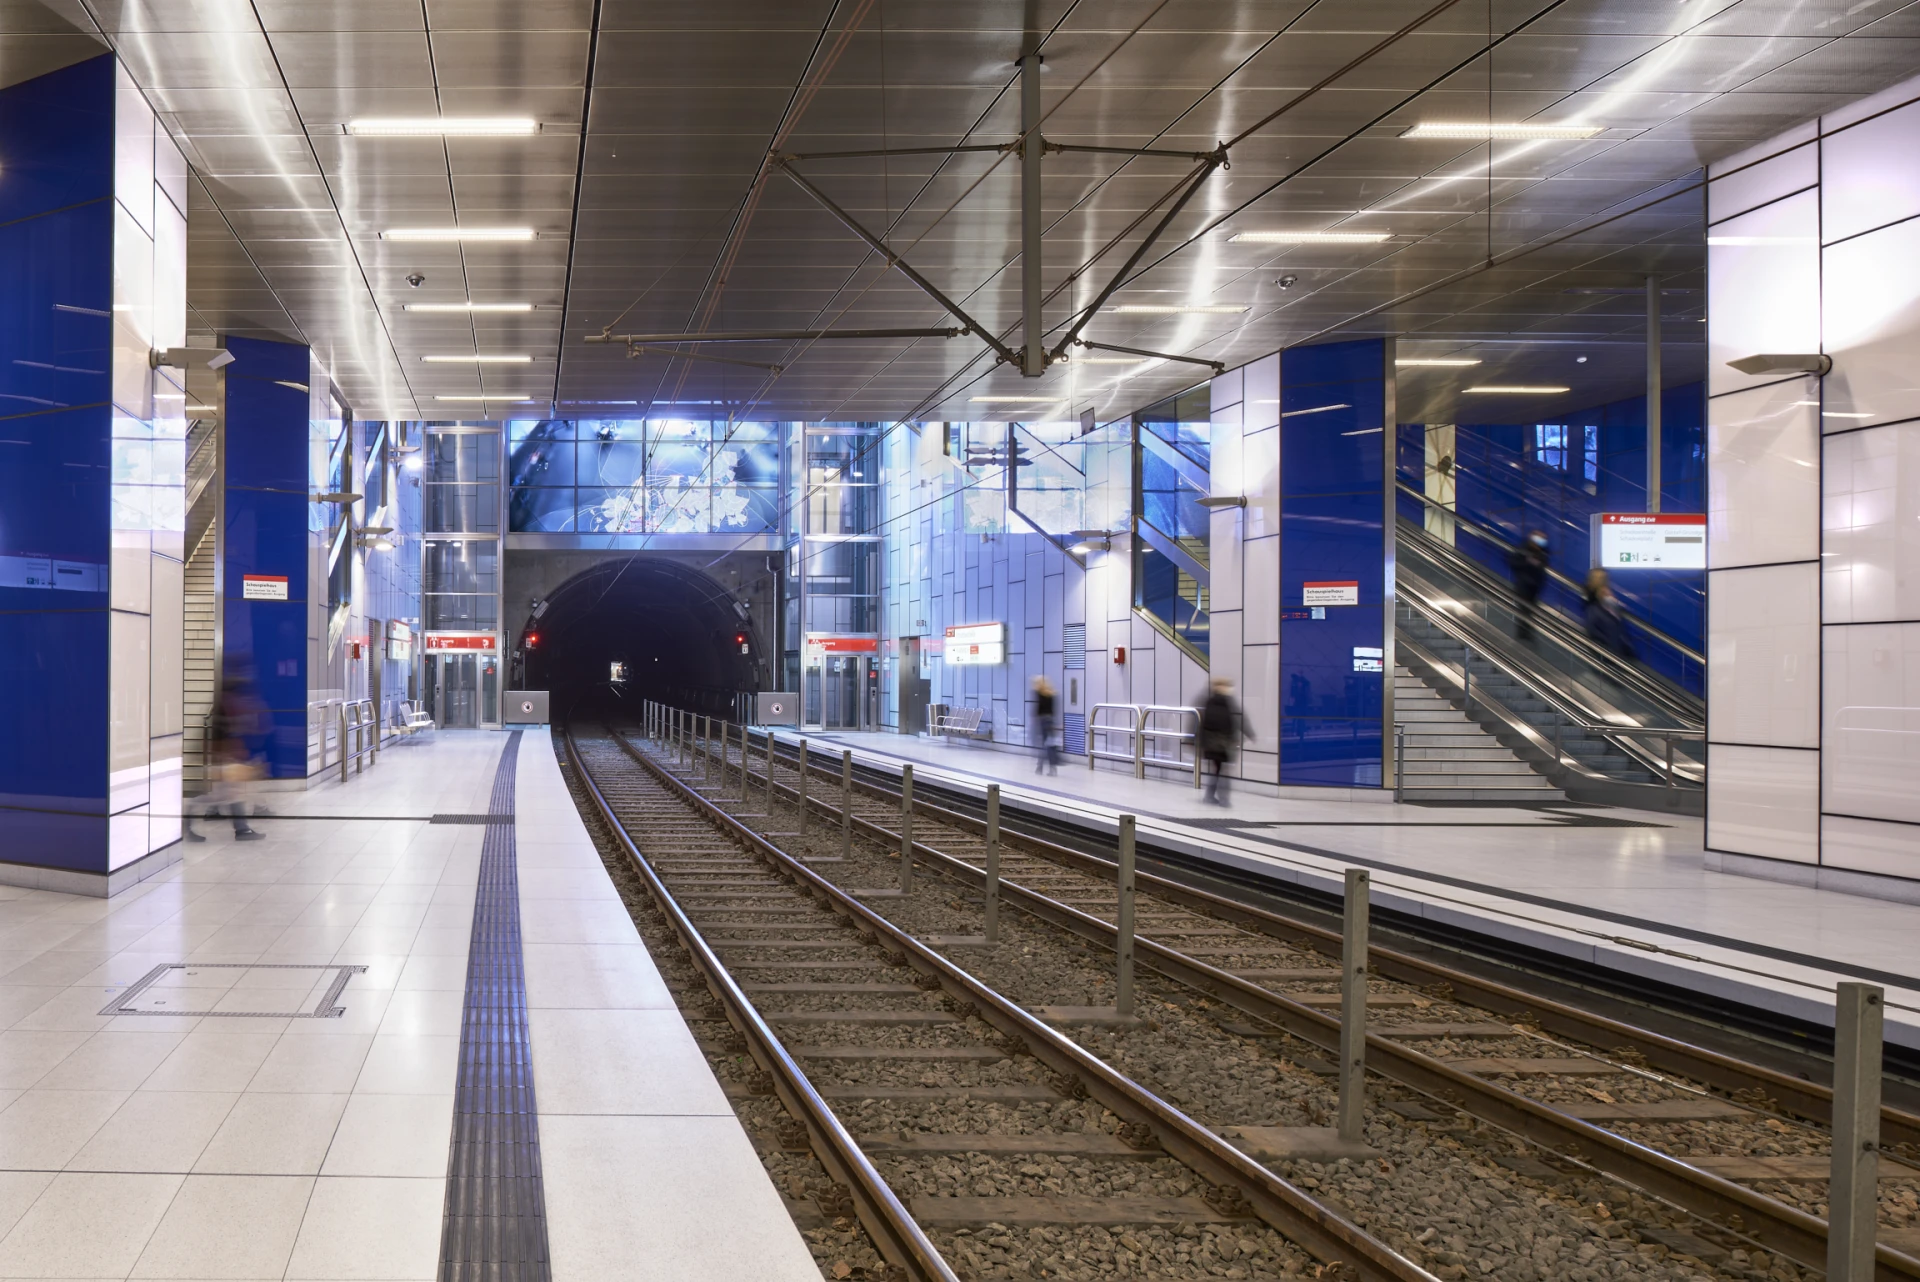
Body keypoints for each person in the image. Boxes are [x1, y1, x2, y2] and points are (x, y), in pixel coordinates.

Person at [185, 673, 269, 842]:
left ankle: (241, 829)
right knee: (213, 796)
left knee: (231, 794)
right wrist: (228, 756)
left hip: (219, 759)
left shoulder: (222, 706)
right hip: (217, 759)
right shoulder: (223, 707)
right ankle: (186, 826)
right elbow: (220, 736)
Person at [1197, 678, 1253, 807]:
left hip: (1212, 744)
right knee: (1223, 771)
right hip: (1222, 744)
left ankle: (1210, 796)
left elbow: (1201, 722)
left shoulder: (1209, 701)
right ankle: (1223, 799)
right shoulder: (1227, 702)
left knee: (1217, 769)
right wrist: (1250, 733)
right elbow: (1239, 719)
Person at [1582, 568, 1637, 662]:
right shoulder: (1593, 608)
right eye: (1604, 579)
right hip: (1607, 654)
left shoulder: (1606, 600)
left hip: (1615, 652)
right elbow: (1595, 631)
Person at [1509, 529, 1551, 641]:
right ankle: (1522, 632)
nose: (1541, 542)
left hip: (1535, 586)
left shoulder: (1543, 551)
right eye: (1539, 539)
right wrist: (1528, 562)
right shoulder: (1523, 549)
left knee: (1531, 609)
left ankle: (1527, 630)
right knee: (1523, 608)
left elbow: (1544, 564)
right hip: (1523, 584)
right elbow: (1513, 562)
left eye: (1543, 539)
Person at [1031, 676, 1060, 775]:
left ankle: (1040, 767)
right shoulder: (1052, 694)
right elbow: (1053, 710)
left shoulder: (1039, 694)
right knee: (1049, 745)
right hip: (1050, 721)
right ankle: (1051, 768)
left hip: (1042, 721)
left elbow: (1038, 710)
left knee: (1043, 745)